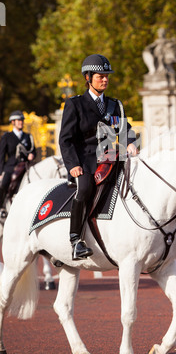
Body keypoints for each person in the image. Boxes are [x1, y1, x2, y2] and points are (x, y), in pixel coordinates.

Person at [59, 53, 138, 260]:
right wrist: (73, 165)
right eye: (100, 76)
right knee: (84, 189)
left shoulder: (115, 105)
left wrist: (130, 143)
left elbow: (126, 129)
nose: (105, 79)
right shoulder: (75, 104)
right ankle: (76, 240)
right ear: (88, 77)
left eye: (106, 76)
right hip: (85, 162)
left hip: (112, 158)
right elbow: (65, 140)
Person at [0, 110, 36, 209]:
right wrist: (1, 172)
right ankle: (2, 207)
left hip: (26, 166)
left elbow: (34, 150)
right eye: (19, 120)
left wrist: (32, 155)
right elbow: (1, 156)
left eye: (22, 120)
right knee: (3, 184)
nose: (21, 122)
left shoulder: (28, 136)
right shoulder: (7, 137)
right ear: (13, 122)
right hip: (11, 167)